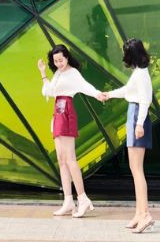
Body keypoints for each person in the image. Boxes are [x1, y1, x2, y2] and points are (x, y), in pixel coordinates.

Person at [37, 44, 104, 218]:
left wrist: (98, 94)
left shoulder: (73, 73)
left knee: (70, 158)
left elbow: (85, 87)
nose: (58, 63)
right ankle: (68, 200)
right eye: (55, 61)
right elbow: (49, 91)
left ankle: (82, 199)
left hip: (66, 112)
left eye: (61, 60)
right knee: (61, 160)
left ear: (67, 57)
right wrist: (43, 73)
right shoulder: (58, 73)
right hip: (58, 112)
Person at [102, 38, 154, 234]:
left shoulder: (141, 75)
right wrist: (110, 94)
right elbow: (127, 92)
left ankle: (145, 214)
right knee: (135, 169)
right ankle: (140, 213)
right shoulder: (139, 73)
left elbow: (144, 100)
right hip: (133, 117)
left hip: (137, 119)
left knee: (137, 169)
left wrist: (139, 124)